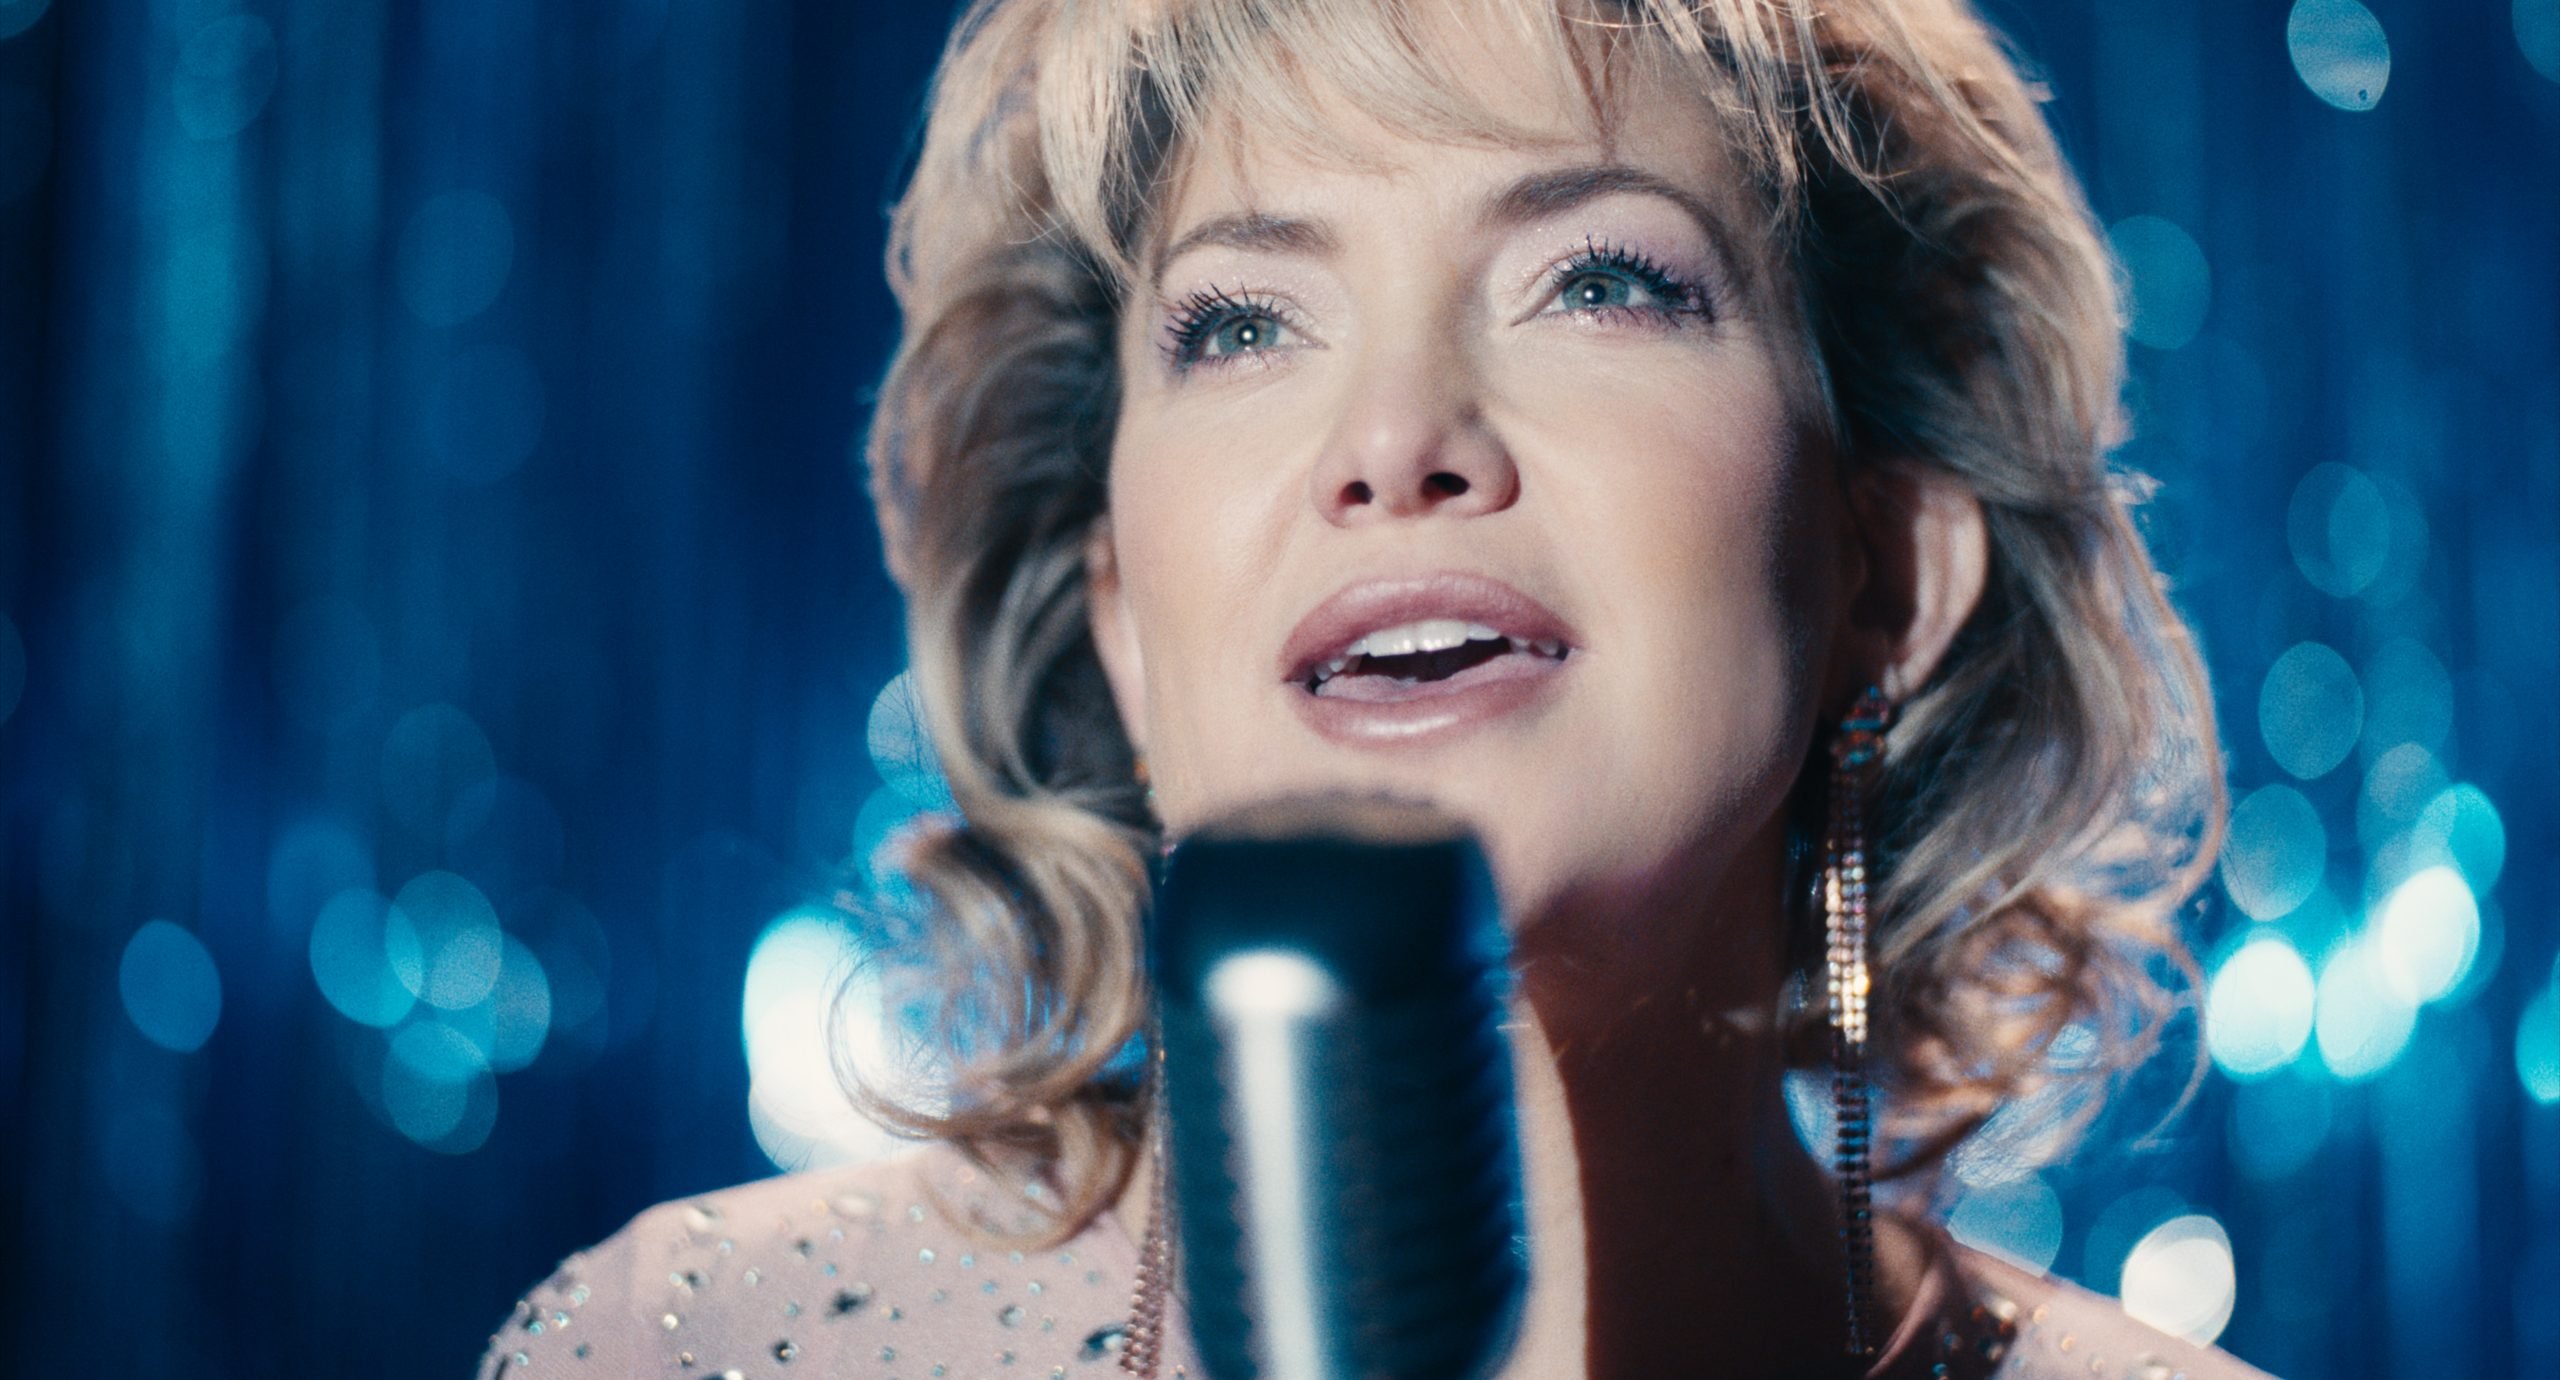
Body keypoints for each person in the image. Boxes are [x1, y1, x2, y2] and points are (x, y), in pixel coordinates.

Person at [482, 1, 2268, 1376]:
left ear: (1884, 570)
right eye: (1242, 323)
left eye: (1598, 282)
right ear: (1123, 615)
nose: (1395, 439)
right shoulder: (684, 1345)